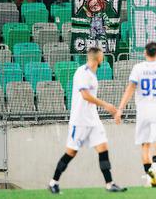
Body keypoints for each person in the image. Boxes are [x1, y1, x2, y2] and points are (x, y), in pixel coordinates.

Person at [48, 47, 126, 194]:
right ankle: (53, 182)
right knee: (71, 152)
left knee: (103, 148)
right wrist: (106, 105)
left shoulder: (92, 74)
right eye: (102, 55)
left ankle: (110, 183)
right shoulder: (82, 73)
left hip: (93, 119)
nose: (103, 57)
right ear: (98, 58)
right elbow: (85, 95)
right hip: (80, 120)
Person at [115, 42, 156, 188]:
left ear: (145, 53)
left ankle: (149, 176)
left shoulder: (138, 68)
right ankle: (155, 168)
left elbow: (130, 89)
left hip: (143, 110)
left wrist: (120, 108)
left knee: (145, 145)